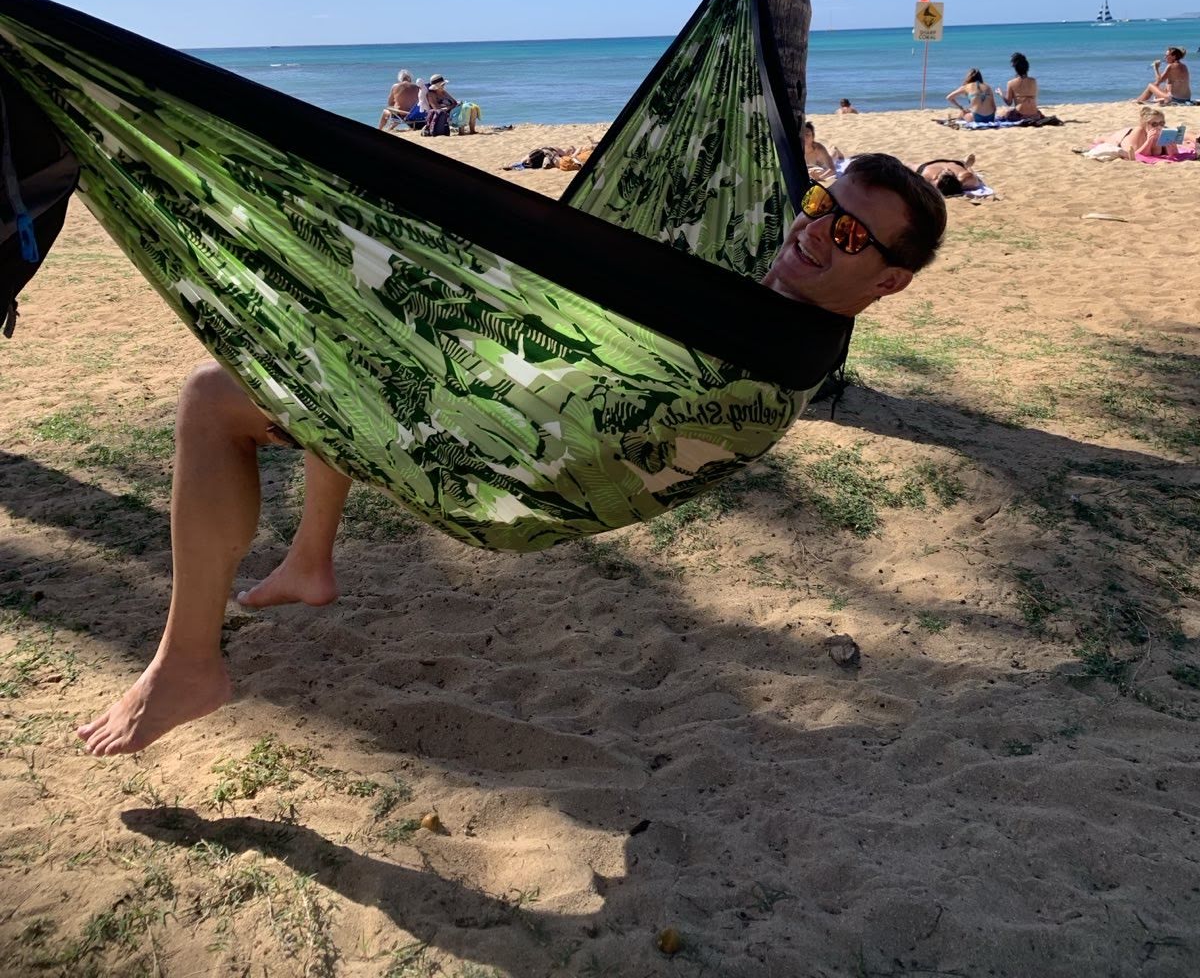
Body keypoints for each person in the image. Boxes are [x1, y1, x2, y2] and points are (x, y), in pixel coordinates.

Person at [75, 153, 945, 756]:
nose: (818, 232)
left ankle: (189, 665)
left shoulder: (769, 341)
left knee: (217, 395)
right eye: (820, 206)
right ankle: (309, 559)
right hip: (527, 417)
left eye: (851, 236)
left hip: (501, 464)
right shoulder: (787, 328)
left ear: (890, 281)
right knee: (341, 332)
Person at [996, 54, 1044, 123]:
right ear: (1027, 68)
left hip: (1020, 114)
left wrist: (1001, 93)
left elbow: (1009, 103)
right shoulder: (1033, 81)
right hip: (1034, 113)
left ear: (1016, 69)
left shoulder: (1011, 83)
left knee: (1003, 113)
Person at [914, 154, 986, 195]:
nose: (946, 169)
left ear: (936, 179)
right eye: (949, 172)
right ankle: (964, 162)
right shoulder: (966, 178)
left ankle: (963, 163)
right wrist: (967, 166)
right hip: (955, 163)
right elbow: (972, 175)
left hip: (925, 166)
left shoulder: (928, 180)